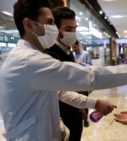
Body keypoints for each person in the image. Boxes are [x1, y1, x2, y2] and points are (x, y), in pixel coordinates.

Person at [0, 0, 127, 141]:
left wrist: (92, 103)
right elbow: (89, 76)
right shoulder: (28, 61)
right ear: (29, 24)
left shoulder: (30, 58)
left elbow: (58, 92)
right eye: (50, 22)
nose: (55, 29)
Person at [43, 6, 91, 141]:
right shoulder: (49, 55)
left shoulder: (68, 51)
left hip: (76, 109)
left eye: (75, 28)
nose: (73, 33)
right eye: (68, 29)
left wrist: (82, 105)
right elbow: (58, 91)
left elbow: (74, 81)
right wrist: (91, 103)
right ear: (56, 30)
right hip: (61, 115)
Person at [72, 39, 92, 127]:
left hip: (83, 82)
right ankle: (79, 117)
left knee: (85, 100)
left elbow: (90, 66)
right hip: (74, 82)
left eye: (75, 47)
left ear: (78, 45)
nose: (73, 49)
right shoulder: (72, 55)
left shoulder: (86, 54)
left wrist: (81, 63)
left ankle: (85, 119)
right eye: (72, 47)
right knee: (76, 100)